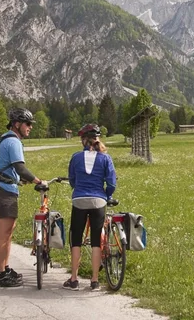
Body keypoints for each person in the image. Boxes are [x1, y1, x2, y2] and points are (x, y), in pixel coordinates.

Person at [0, 108, 44, 287]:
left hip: (3, 189)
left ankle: (6, 269)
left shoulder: (8, 139)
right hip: (3, 192)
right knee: (4, 234)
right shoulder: (13, 142)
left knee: (8, 232)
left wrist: (18, 181)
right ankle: (1, 275)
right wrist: (37, 181)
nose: (30, 127)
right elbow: (20, 168)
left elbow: (11, 170)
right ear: (17, 124)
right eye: (28, 124)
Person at [64, 124, 117, 291]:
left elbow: (72, 180)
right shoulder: (105, 158)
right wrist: (107, 194)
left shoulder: (75, 157)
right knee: (96, 242)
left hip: (79, 199)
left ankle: (74, 279)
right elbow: (111, 183)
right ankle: (94, 281)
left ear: (83, 140)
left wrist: (79, 188)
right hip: (98, 201)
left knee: (76, 241)